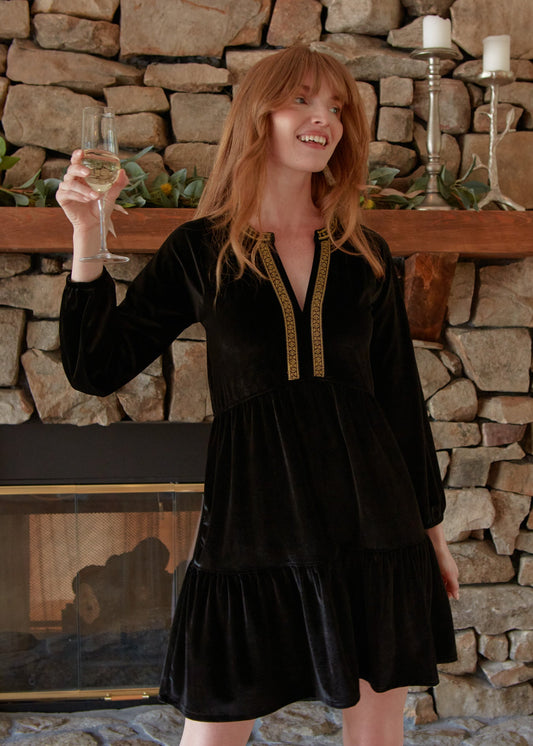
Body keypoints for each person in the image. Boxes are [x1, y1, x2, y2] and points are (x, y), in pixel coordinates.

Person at [57, 45, 459, 746]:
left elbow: (399, 402)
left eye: (335, 107)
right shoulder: (200, 249)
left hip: (372, 524)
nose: (322, 119)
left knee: (376, 737)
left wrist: (430, 532)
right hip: (253, 520)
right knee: (211, 733)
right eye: (301, 100)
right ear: (257, 115)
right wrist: (88, 234)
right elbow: (96, 367)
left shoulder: (363, 252)